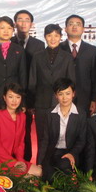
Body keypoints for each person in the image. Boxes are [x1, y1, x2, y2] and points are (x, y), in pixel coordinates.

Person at [28, 24, 76, 157]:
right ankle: (41, 166)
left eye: (56, 35)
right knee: (42, 138)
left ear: (61, 37)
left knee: (60, 138)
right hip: (41, 104)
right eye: (49, 35)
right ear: (45, 37)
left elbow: (71, 82)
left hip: (61, 104)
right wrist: (32, 103)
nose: (53, 39)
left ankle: (59, 166)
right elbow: (32, 82)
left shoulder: (67, 57)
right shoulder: (37, 56)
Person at [0, 83, 42, 177]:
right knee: (27, 179)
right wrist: (13, 162)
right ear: (4, 98)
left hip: (16, 160)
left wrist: (20, 160)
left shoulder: (22, 116)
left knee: (39, 172)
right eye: (10, 97)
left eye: (18, 97)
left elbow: (21, 143)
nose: (14, 100)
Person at [37, 78, 87, 181]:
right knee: (48, 177)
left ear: (73, 94)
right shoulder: (49, 113)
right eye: (60, 94)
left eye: (68, 93)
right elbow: (45, 140)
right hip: (52, 152)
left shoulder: (81, 114)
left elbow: (81, 140)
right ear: (56, 95)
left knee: (63, 167)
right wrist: (39, 162)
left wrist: (72, 153)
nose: (64, 98)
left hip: (70, 152)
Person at [13, 9, 45, 161]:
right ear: (15, 23)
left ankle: (26, 161)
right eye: (20, 19)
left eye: (27, 20)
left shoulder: (39, 45)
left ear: (31, 24)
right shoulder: (9, 42)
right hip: (12, 93)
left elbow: (39, 73)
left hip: (30, 94)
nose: (23, 23)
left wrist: (32, 100)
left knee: (26, 129)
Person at [60, 14, 96, 116]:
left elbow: (95, 77)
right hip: (62, 97)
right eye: (71, 24)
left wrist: (94, 99)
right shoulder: (58, 48)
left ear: (83, 29)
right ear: (65, 29)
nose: (74, 27)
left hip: (85, 99)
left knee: (83, 124)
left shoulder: (92, 50)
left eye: (78, 24)